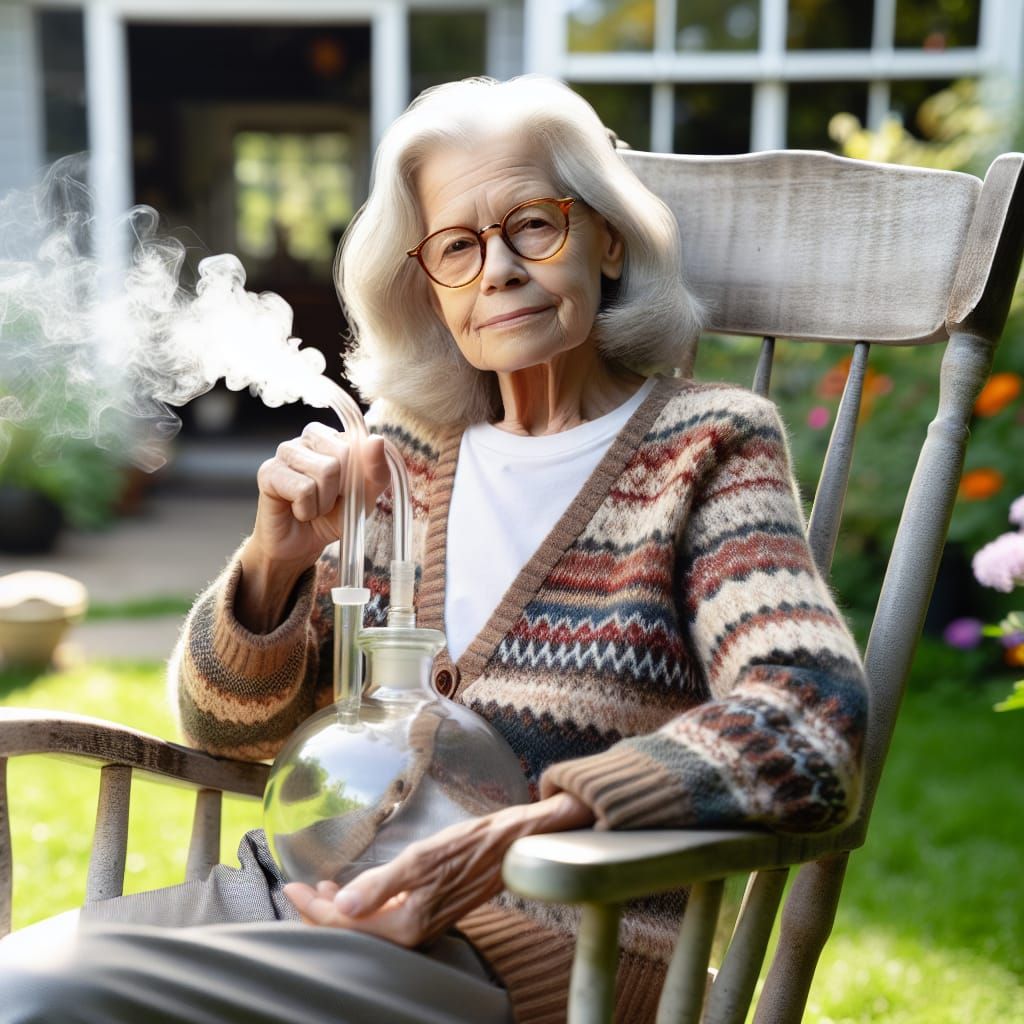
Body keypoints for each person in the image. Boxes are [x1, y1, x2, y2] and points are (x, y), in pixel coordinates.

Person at [0, 76, 868, 1024]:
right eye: (457, 246)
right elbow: (230, 734)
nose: (498, 270)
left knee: (43, 998)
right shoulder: (401, 452)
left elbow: (811, 716)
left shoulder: (706, 448)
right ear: (429, 284)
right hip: (294, 905)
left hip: (535, 959)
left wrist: (529, 833)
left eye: (533, 225)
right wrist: (273, 567)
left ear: (608, 239)